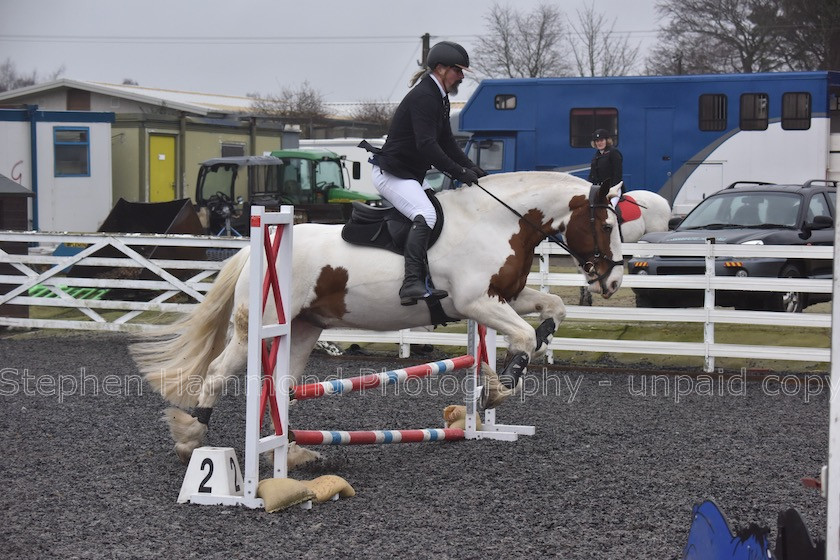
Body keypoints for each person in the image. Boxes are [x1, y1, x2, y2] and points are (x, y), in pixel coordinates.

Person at [365, 41, 486, 306]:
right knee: (427, 214)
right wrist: (458, 172)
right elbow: (427, 145)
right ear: (441, 68)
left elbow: (447, 142)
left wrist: (474, 170)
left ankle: (428, 277)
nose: (462, 77)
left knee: (442, 212)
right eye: (458, 70)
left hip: (409, 175)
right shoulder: (425, 96)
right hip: (393, 174)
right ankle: (411, 283)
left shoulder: (438, 97)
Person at [587, 128, 624, 204]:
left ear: (606, 141)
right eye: (597, 141)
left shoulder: (613, 152)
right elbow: (592, 176)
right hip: (600, 189)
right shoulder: (596, 156)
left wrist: (612, 188)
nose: (599, 143)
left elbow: (617, 173)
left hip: (614, 188)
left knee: (612, 206)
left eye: (601, 140)